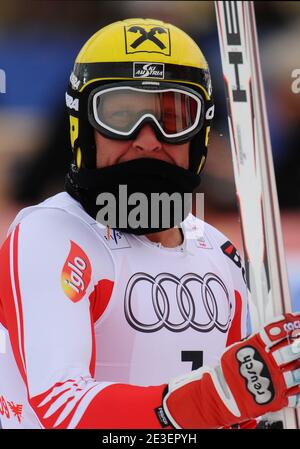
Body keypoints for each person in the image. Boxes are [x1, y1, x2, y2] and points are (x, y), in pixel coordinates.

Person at [0, 18, 299, 430]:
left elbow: (229, 412)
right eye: (120, 115)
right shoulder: (50, 235)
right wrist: (222, 397)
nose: (147, 138)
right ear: (83, 127)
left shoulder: (220, 254)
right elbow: (62, 404)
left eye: (172, 117)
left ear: (200, 134)